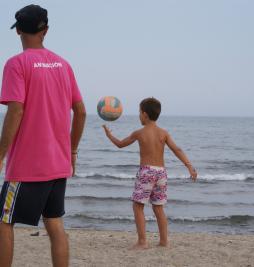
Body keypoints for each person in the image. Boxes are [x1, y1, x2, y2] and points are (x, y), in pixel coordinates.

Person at [0, 5, 86, 267]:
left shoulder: (17, 64)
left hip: (27, 166)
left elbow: (16, 110)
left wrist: (0, 154)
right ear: (45, 30)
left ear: (19, 32)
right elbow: (80, 112)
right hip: (58, 165)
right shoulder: (64, 65)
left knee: (4, 221)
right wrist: (71, 152)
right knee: (54, 223)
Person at [103, 97, 197, 249]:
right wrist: (189, 165)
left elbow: (120, 144)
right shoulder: (164, 133)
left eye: (139, 112)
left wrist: (109, 135)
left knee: (138, 206)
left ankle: (142, 242)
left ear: (145, 114)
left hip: (146, 172)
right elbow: (177, 149)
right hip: (161, 172)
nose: (139, 115)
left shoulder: (139, 133)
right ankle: (164, 241)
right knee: (158, 207)